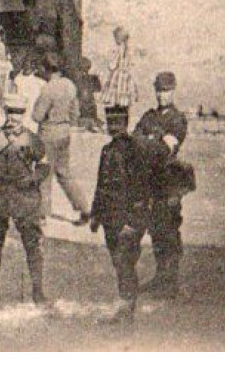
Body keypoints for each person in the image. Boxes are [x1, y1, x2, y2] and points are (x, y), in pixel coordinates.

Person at [90, 104, 163, 324]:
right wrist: (96, 214)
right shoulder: (107, 150)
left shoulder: (135, 150)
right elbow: (101, 184)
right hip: (110, 217)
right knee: (118, 260)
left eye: (118, 124)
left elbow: (143, 186)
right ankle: (126, 304)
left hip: (130, 217)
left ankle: (127, 308)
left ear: (126, 124)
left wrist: (132, 221)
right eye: (111, 124)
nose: (114, 128)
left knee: (125, 260)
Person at [0, 93, 48, 304]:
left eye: (17, 113)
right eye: (10, 113)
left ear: (23, 114)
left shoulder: (32, 139)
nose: (13, 118)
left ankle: (37, 289)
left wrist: (34, 179)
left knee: (32, 243)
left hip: (24, 195)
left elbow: (44, 165)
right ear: (5, 113)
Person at [134, 70, 191, 297]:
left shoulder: (177, 120)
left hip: (169, 181)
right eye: (158, 90)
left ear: (173, 91)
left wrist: (149, 140)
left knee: (169, 228)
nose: (161, 95)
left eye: (166, 91)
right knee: (155, 228)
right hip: (150, 180)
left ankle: (172, 281)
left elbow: (166, 149)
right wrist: (153, 139)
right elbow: (134, 140)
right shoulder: (149, 116)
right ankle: (161, 277)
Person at [31, 53, 88, 221]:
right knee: (64, 173)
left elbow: (37, 116)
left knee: (44, 175)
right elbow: (75, 114)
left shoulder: (48, 89)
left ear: (46, 69)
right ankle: (84, 208)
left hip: (48, 134)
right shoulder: (70, 85)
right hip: (64, 133)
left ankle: (42, 214)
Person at [99, 26, 140, 112]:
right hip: (127, 77)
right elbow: (133, 64)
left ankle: (116, 117)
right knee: (123, 102)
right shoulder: (130, 50)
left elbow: (112, 65)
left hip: (118, 77)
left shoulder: (117, 50)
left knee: (115, 100)